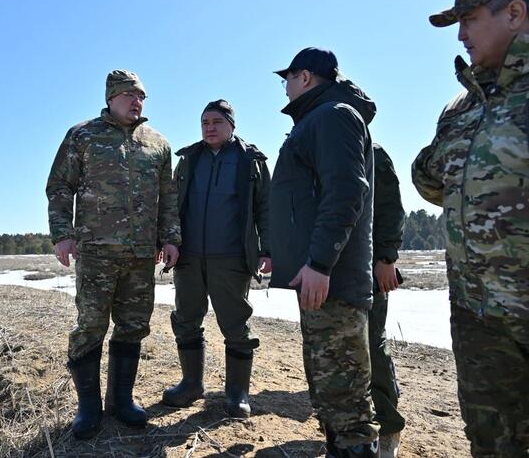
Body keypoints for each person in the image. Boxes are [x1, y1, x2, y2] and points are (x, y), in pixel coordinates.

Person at [412, 0, 529, 457]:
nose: (461, 34)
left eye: (469, 18)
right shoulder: (465, 104)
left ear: (515, 13)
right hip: (478, 315)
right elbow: (430, 181)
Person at [46, 69, 181, 439]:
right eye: (129, 96)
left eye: (141, 97)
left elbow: (168, 198)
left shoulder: (157, 144)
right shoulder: (83, 136)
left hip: (141, 255)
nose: (136, 102)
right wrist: (62, 234)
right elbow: (60, 185)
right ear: (111, 98)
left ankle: (121, 400)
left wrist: (170, 239)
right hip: (96, 251)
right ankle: (88, 408)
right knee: (91, 326)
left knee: (133, 326)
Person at [269, 47, 379, 457]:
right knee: (329, 390)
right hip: (317, 278)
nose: (284, 87)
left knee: (346, 399)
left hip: (332, 279)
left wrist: (320, 261)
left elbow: (346, 191)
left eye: (288, 78)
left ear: (306, 77)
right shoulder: (317, 119)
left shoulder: (334, 116)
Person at [161, 99, 271, 418]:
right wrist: (168, 241)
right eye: (205, 122)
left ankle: (237, 394)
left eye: (216, 122)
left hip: (231, 258)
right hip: (189, 257)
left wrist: (268, 250)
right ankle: (191, 385)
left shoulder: (251, 160)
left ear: (231, 126)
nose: (209, 127)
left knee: (236, 325)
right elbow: (171, 204)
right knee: (185, 320)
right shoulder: (189, 159)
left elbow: (266, 207)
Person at [370, 143, 406, 458]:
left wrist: (386, 257)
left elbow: (390, 207)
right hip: (322, 269)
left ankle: (389, 428)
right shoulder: (310, 146)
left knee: (372, 345)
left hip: (366, 267)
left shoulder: (374, 153)